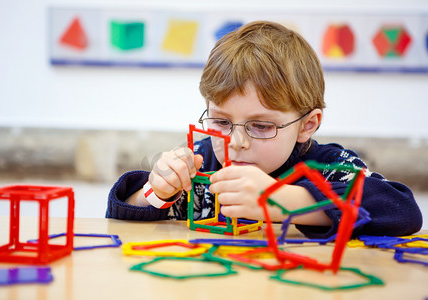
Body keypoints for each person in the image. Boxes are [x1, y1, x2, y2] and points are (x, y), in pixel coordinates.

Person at [106, 21, 422, 238]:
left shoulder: (331, 166)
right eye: (221, 122)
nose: (236, 142)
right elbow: (121, 215)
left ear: (306, 125)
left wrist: (279, 200)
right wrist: (157, 193)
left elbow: (401, 211)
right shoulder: (204, 161)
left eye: (261, 125)